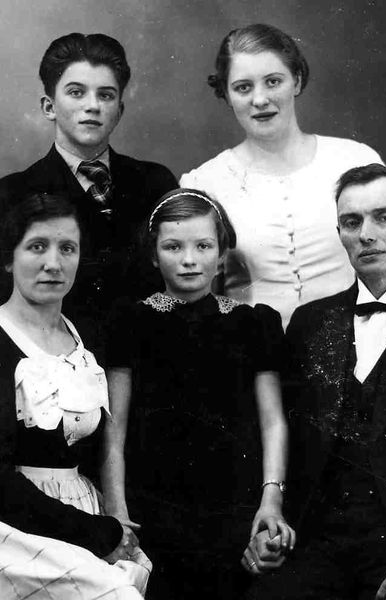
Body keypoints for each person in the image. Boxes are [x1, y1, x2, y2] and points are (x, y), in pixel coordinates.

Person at [245, 163, 386, 600]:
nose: (366, 234)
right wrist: (271, 524)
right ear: (340, 233)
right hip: (318, 546)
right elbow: (282, 438)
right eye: (352, 222)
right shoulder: (311, 323)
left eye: (383, 217)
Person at [102, 188, 293, 599]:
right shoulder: (131, 320)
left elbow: (272, 422)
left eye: (203, 246)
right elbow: (114, 430)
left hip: (234, 508)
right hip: (152, 510)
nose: (189, 259)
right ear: (154, 255)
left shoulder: (252, 324)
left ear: (221, 253)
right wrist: (116, 509)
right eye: (173, 247)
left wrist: (271, 500)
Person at [181, 23, 383, 328]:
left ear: (297, 81)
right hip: (253, 350)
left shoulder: (355, 160)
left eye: (273, 81)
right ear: (226, 94)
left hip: (357, 343)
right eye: (243, 87)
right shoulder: (203, 183)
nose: (260, 99)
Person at [0, 192, 151, 599]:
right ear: (9, 258)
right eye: (37, 247)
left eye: (67, 248)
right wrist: (95, 533)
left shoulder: (87, 338)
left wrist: (111, 519)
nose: (54, 263)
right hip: (15, 526)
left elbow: (108, 443)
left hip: (84, 508)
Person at [0, 32, 177, 360]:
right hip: (59, 366)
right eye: (76, 92)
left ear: (119, 110)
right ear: (49, 107)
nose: (92, 106)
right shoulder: (13, 194)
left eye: (105, 95)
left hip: (152, 362)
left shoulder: (155, 182)